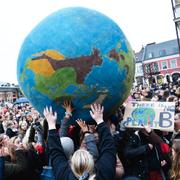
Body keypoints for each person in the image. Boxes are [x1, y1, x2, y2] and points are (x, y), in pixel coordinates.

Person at [44, 103, 116, 180]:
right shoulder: (104, 173)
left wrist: (51, 125)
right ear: (93, 161)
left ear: (70, 164)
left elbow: (55, 152)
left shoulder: (64, 176)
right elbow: (109, 147)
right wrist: (99, 120)